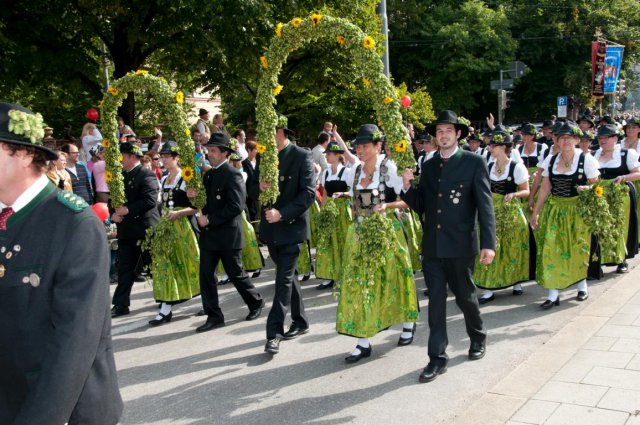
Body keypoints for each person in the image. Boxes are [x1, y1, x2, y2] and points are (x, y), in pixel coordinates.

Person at [0, 102, 122, 424]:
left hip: (62, 411)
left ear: (24, 155)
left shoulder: (74, 225)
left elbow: (74, 344)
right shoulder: (4, 217)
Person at [401, 110, 496, 383]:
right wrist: (408, 187)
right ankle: (437, 358)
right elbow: (423, 206)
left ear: (457, 135)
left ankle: (477, 336)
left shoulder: (474, 163)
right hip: (433, 247)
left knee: (466, 297)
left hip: (460, 245)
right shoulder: (429, 166)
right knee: (436, 305)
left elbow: (485, 207)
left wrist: (488, 243)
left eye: (448, 131)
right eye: (439, 131)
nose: (442, 135)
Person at [336, 124, 419, 362]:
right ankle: (363, 341)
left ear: (377, 146)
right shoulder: (354, 172)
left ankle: (408, 323)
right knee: (359, 283)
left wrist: (388, 205)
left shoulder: (389, 169)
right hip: (360, 234)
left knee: (395, 277)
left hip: (387, 232)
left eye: (364, 146)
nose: (359, 150)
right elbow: (353, 201)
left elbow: (409, 200)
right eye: (357, 147)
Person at [194, 133, 264, 332]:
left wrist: (210, 219)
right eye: (209, 150)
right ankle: (214, 316)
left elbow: (236, 206)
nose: (210, 153)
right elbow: (206, 203)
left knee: (236, 274)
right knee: (206, 275)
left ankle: (255, 302)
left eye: (214, 150)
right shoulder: (209, 175)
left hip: (227, 235)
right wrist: (195, 200)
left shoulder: (232, 175)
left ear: (225, 153)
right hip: (210, 235)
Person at [257, 115, 315, 355]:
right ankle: (300, 320)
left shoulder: (302, 156)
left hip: (290, 228)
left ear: (281, 132)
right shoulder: (264, 156)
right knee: (287, 278)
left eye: (268, 131)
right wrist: (258, 187)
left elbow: (308, 193)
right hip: (271, 230)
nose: (264, 137)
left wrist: (282, 213)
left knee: (282, 281)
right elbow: (252, 190)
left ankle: (273, 333)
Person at [530, 121, 600, 308]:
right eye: (562, 138)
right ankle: (553, 294)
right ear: (557, 141)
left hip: (578, 210)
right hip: (555, 210)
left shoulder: (586, 160)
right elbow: (545, 189)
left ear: (577, 139)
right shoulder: (551, 160)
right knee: (551, 249)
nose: (566, 141)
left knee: (578, 248)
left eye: (570, 138)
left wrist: (588, 188)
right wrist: (535, 213)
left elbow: (596, 186)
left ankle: (581, 286)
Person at [474, 129, 533, 303]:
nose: (490, 147)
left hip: (510, 212)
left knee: (511, 246)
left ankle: (516, 282)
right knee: (489, 245)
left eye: (493, 145)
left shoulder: (516, 166)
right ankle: (488, 286)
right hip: (491, 211)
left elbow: (526, 191)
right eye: (490, 144)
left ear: (503, 147)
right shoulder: (488, 165)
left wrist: (514, 195)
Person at [148, 142, 200, 326]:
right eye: (162, 156)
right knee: (166, 265)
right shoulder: (163, 179)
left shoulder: (185, 178)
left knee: (191, 263)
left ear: (176, 158)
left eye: (167, 156)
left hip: (183, 227)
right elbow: (162, 204)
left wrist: (178, 213)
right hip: (167, 227)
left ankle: (204, 298)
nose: (164, 159)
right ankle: (165, 307)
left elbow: (196, 207)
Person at [111, 142, 160, 317]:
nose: (120, 160)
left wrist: (128, 210)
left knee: (153, 267)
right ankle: (120, 304)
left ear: (132, 157)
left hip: (144, 229)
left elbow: (149, 200)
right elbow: (114, 201)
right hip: (127, 230)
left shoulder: (145, 174)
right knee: (125, 268)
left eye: (122, 156)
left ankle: (163, 298)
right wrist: (113, 214)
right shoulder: (120, 176)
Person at [593, 123, 640, 274]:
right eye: (600, 138)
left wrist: (624, 177)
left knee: (619, 226)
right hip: (599, 194)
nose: (602, 141)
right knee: (599, 226)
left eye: (606, 138)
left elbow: (638, 173)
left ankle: (621, 259)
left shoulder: (627, 154)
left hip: (620, 194)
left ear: (615, 138)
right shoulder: (595, 154)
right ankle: (598, 261)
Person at [315, 140, 353, 290]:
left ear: (337, 155)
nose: (326, 157)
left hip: (343, 211)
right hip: (330, 211)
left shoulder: (347, 172)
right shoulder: (325, 172)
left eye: (329, 154)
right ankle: (329, 276)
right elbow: (324, 194)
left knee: (343, 242)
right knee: (328, 243)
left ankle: (344, 275)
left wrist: (343, 194)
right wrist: (323, 210)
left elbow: (354, 193)